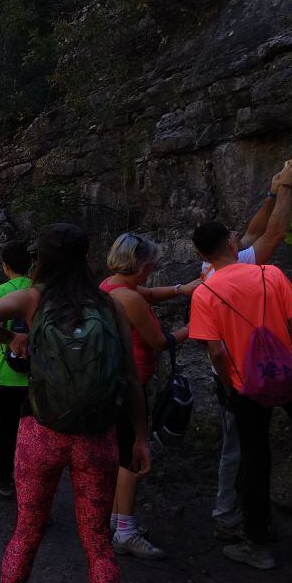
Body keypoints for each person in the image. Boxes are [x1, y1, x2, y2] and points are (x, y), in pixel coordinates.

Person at [0, 224, 150, 583]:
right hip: (96, 439)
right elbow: (131, 377)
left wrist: (13, 337)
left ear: (41, 260)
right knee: (97, 541)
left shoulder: (34, 298)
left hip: (40, 433)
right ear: (87, 256)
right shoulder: (110, 304)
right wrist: (139, 438)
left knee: (27, 529)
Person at [189, 220, 292, 571]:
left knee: (254, 458)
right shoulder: (270, 274)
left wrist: (229, 384)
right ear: (232, 245)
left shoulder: (205, 293)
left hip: (246, 385)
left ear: (202, 255)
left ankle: (259, 543)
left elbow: (217, 353)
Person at [201, 156, 292, 540]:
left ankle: (235, 513)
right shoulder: (233, 268)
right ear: (225, 245)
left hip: (243, 374)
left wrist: (270, 192)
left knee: (242, 446)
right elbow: (273, 235)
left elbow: (254, 231)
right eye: (232, 236)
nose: (238, 238)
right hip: (246, 377)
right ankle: (227, 515)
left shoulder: (217, 265)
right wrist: (288, 188)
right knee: (240, 449)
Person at [99, 234, 197, 560]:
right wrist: (195, 326)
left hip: (113, 381)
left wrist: (184, 287)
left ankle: (116, 517)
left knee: (121, 448)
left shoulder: (111, 285)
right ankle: (125, 530)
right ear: (139, 264)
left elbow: (150, 294)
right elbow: (159, 341)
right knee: (132, 454)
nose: (153, 269)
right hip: (132, 381)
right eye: (150, 263)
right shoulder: (129, 297)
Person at [0, 242, 33, 498]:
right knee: (35, 436)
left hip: (6, 373)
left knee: (8, 430)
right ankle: (33, 487)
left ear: (5, 266)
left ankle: (4, 476)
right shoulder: (41, 292)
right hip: (38, 376)